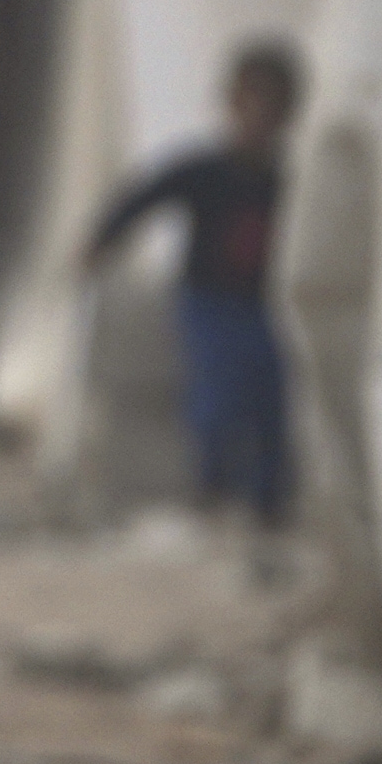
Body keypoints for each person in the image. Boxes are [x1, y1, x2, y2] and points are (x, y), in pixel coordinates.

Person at [79, 39, 305, 529]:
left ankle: (268, 500)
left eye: (272, 107)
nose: (259, 119)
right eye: (251, 104)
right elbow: (143, 196)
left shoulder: (287, 182)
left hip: (264, 306)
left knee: (270, 399)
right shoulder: (206, 172)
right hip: (211, 303)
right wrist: (102, 242)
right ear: (231, 103)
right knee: (217, 395)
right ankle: (213, 487)